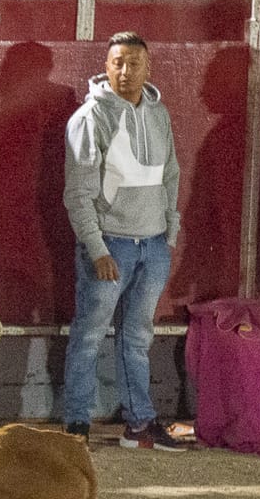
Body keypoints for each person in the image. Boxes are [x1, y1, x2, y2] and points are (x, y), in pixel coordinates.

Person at [62, 32, 182, 451]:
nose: (126, 71)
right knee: (89, 335)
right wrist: (97, 249)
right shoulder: (89, 118)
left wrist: (168, 232)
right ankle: (76, 425)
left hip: (153, 246)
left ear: (148, 67)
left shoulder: (159, 113)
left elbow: (171, 174)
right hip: (110, 246)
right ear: (106, 66)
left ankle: (139, 424)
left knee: (137, 337)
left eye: (134, 63)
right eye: (118, 63)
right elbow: (78, 194)